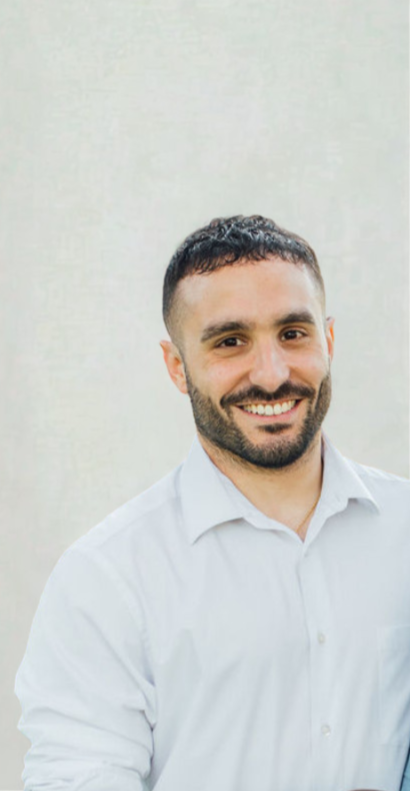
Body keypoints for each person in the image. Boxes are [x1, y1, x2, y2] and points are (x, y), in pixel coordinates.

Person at [15, 215, 410, 790]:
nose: (272, 374)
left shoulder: (404, 530)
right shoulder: (107, 578)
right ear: (177, 366)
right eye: (231, 341)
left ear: (328, 341)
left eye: (293, 333)